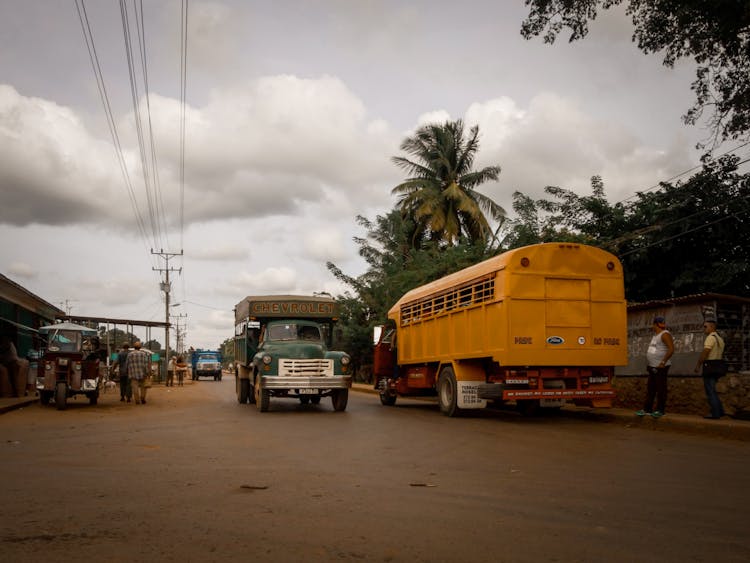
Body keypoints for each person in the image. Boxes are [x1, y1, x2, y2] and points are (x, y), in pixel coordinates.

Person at [636, 315, 674, 418]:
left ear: (654, 325)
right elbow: (654, 350)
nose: (661, 326)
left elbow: (671, 349)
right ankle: (647, 409)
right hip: (652, 366)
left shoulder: (665, 334)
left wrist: (663, 362)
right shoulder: (656, 335)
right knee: (651, 388)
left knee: (661, 389)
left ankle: (660, 410)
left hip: (661, 367)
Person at [694, 318, 726, 419]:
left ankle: (715, 413)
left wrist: (698, 365)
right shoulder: (720, 338)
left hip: (710, 367)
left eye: (705, 326)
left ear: (712, 327)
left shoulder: (710, 338)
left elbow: (705, 352)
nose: (704, 329)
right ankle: (720, 411)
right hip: (718, 366)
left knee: (710, 391)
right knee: (713, 390)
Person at [125, 341, 151, 405]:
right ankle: (142, 398)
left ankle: (137, 400)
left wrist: (127, 371)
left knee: (135, 387)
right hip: (143, 373)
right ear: (140, 347)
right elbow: (146, 364)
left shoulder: (130, 354)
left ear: (134, 347)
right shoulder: (143, 354)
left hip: (133, 373)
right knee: (143, 387)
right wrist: (147, 372)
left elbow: (127, 364)